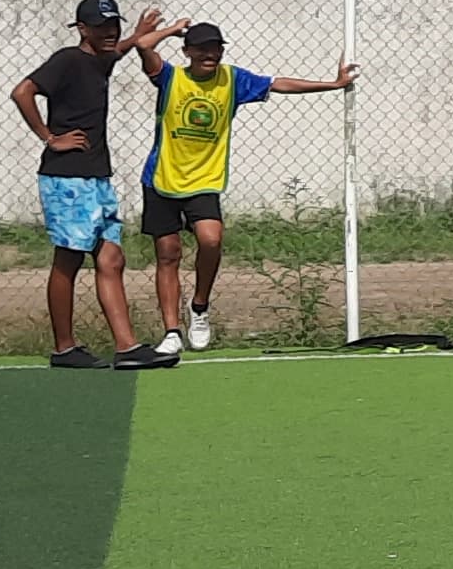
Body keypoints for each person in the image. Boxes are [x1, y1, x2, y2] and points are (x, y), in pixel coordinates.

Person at [137, 19, 355, 351]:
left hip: (204, 181)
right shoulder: (170, 77)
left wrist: (334, 84)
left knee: (211, 240)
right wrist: (172, 29)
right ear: (187, 51)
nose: (210, 55)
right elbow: (142, 45)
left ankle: (199, 307)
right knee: (168, 254)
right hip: (161, 178)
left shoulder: (232, 80)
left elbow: (278, 84)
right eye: (202, 48)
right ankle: (171, 333)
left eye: (216, 48)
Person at [14, 0, 177, 370]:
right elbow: (22, 92)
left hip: (97, 176)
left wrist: (140, 34)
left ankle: (127, 347)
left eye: (114, 25)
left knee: (111, 258)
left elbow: (115, 52)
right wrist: (50, 137)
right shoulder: (68, 60)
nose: (110, 32)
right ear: (82, 29)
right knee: (69, 259)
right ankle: (64, 349)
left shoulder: (100, 60)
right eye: (101, 26)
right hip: (67, 177)